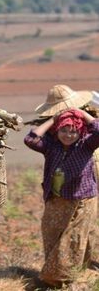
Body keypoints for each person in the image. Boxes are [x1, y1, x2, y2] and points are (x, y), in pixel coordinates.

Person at [24, 107, 99, 288]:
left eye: (73, 131)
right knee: (52, 236)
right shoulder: (51, 146)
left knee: (71, 241)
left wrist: (82, 114)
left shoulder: (86, 145)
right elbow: (30, 139)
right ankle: (56, 276)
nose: (68, 135)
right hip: (56, 201)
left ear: (80, 132)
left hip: (80, 201)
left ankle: (56, 278)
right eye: (64, 130)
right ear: (57, 131)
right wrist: (54, 118)